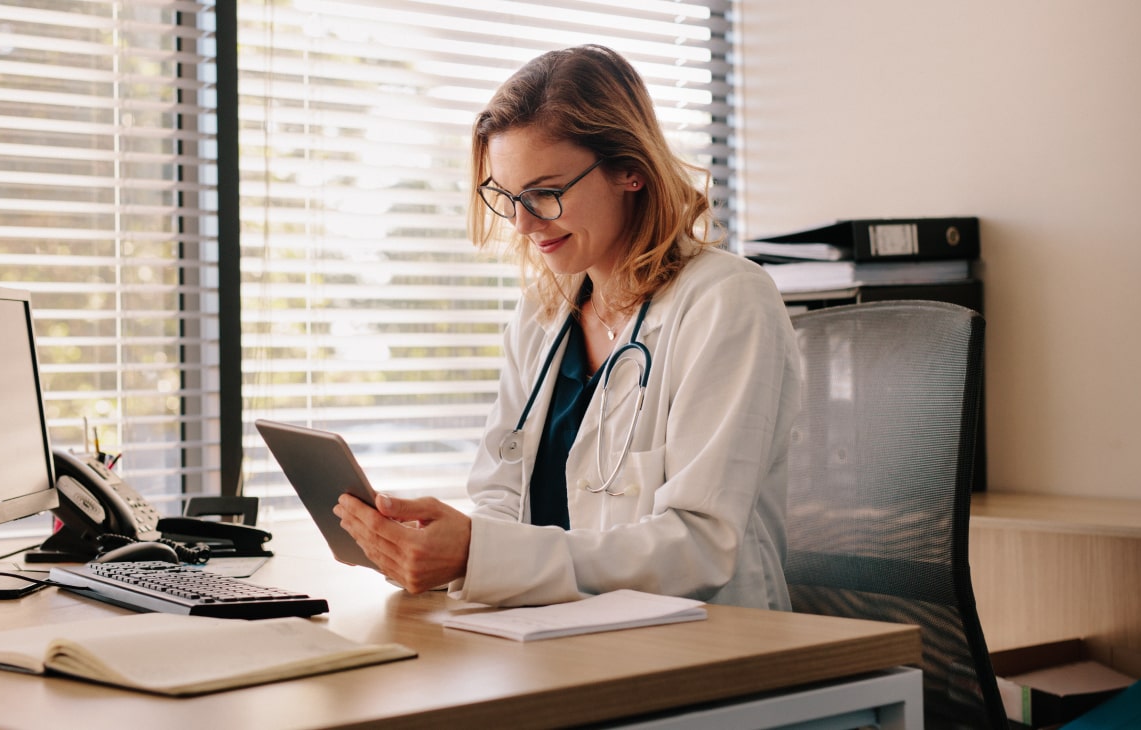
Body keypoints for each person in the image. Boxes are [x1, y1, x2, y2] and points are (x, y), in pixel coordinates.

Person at [334, 44, 802, 611]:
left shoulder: (726, 301)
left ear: (631, 170)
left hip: (704, 645)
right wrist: (442, 551)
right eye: (506, 196)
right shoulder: (542, 313)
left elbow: (699, 548)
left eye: (545, 193)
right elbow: (500, 500)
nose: (523, 222)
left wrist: (481, 555)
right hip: (554, 634)